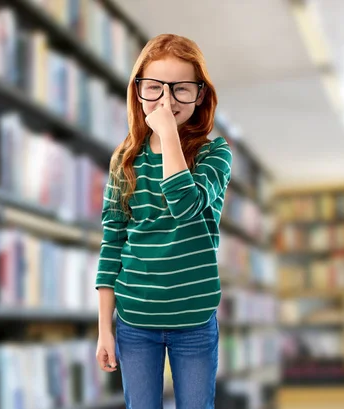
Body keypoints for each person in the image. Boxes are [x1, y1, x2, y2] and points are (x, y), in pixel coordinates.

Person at [94, 33, 233, 409]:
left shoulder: (215, 153)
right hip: (135, 321)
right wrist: (104, 329)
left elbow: (185, 205)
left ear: (200, 94)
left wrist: (168, 134)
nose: (166, 101)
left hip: (194, 319)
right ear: (138, 92)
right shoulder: (124, 160)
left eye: (181, 90)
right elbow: (112, 245)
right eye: (154, 88)